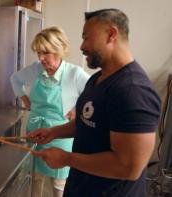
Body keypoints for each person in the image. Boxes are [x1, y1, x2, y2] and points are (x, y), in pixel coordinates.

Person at [28, 8, 161, 197]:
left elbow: (128, 167)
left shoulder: (133, 90)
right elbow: (87, 122)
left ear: (111, 34)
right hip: (81, 186)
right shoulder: (98, 78)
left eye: (87, 38)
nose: (82, 46)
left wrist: (66, 158)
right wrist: (53, 132)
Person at [10, 26, 89, 197]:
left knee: (59, 184)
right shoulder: (35, 69)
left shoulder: (74, 74)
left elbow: (94, 95)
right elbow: (15, 79)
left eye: (46, 52)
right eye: (38, 53)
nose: (41, 58)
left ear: (60, 50)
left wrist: (77, 108)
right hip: (35, 133)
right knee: (35, 178)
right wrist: (25, 99)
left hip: (61, 136)